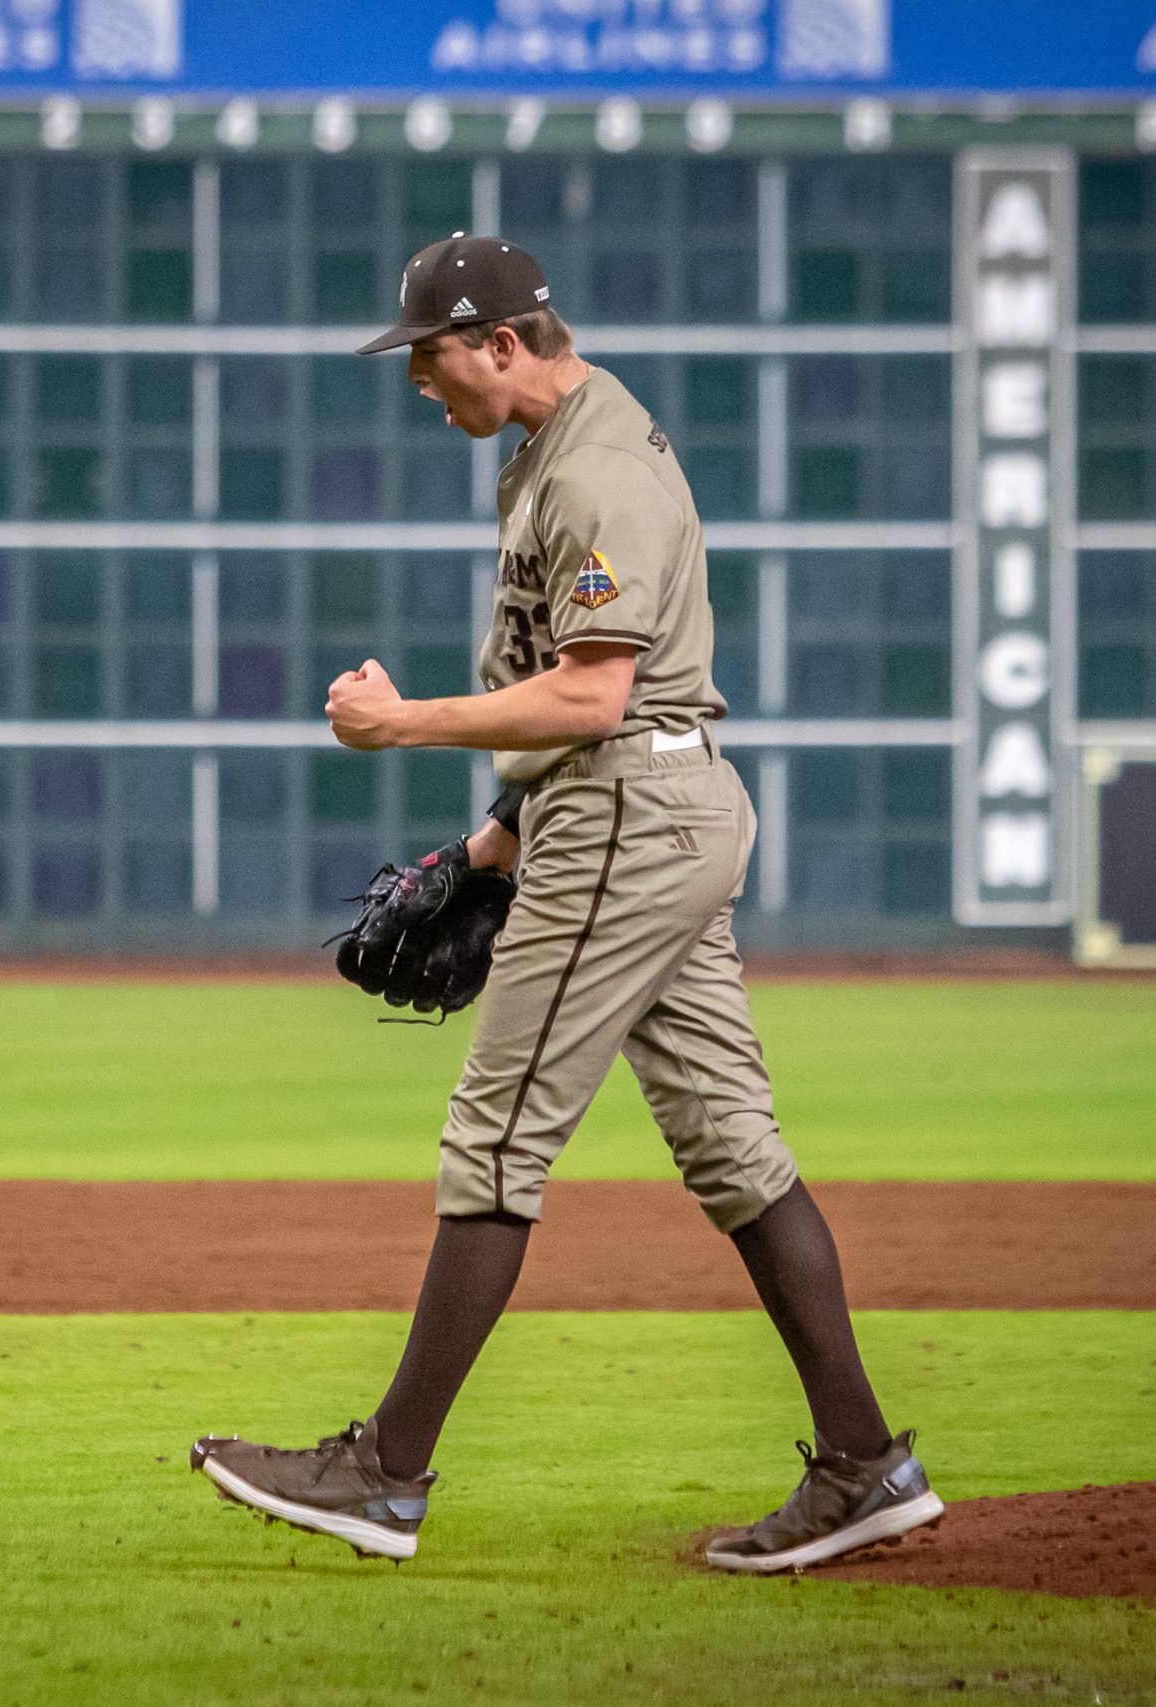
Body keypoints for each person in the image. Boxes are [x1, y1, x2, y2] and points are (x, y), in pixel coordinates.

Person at [190, 235, 942, 1575]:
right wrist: (490, 845)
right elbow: (588, 711)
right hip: (633, 808)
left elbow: (596, 698)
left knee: (495, 1137)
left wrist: (403, 723)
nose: (425, 389)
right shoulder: (565, 447)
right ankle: (863, 1464)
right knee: (730, 1143)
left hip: (629, 818)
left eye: (430, 361)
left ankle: (384, 1475)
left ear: (498, 341)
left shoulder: (597, 470)